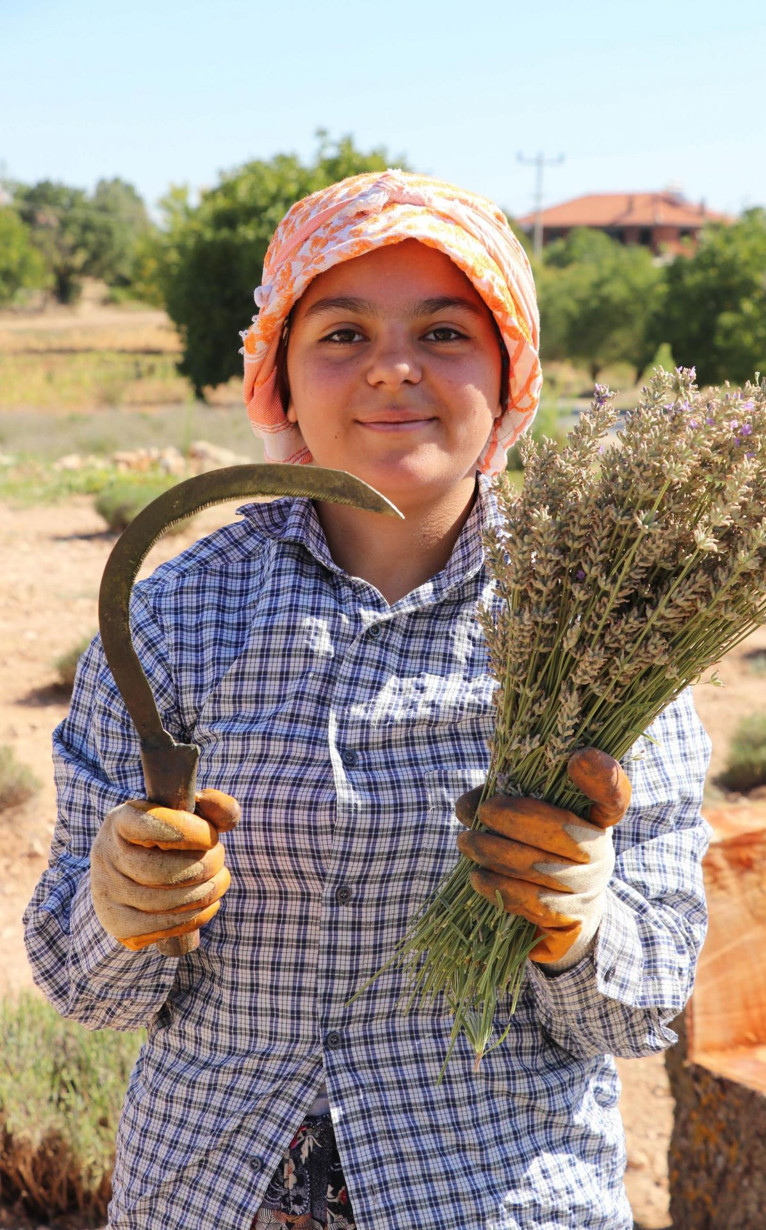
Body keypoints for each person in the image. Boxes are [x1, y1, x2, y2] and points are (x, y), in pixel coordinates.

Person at [24, 170, 712, 1230]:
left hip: (496, 1199)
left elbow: (643, 1003)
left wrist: (579, 924)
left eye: (443, 333)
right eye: (341, 334)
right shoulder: (172, 617)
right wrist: (119, 912)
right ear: (282, 383)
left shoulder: (607, 637)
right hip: (203, 1191)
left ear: (508, 375)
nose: (393, 369)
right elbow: (86, 989)